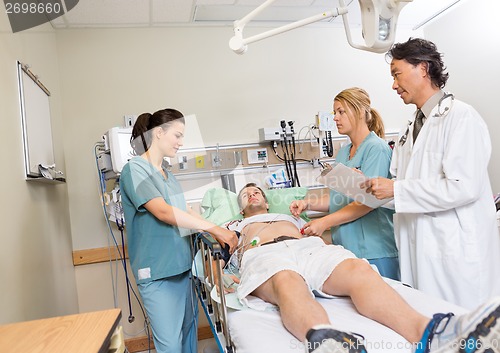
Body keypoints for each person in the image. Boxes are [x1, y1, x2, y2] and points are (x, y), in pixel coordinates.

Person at [224, 183, 500, 353]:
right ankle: (328, 343)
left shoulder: (290, 216)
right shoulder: (234, 227)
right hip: (265, 255)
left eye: (257, 191)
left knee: (358, 269)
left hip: (306, 247)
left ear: (268, 200)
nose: (252, 195)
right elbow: (221, 257)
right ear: (241, 209)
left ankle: (433, 335)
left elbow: (324, 223)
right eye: (247, 194)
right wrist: (226, 274)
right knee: (287, 282)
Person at [360, 38, 500, 309]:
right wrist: (375, 188)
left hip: (455, 253)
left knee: (468, 333)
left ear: (422, 69)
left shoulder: (461, 117)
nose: (393, 85)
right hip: (420, 251)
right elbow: (402, 189)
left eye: (397, 74)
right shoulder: (408, 128)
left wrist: (396, 190)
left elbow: (463, 186)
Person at [120, 108, 238, 353]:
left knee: (187, 339)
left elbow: (184, 211)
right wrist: (215, 229)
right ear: (159, 133)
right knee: (171, 346)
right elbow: (163, 212)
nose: (181, 143)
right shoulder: (135, 170)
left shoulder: (168, 174)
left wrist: (217, 229)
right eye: (177, 135)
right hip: (158, 274)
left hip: (182, 270)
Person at [290, 87, 399, 280]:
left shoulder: (377, 149)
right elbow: (337, 198)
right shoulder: (343, 152)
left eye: (341, 112)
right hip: (346, 249)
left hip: (374, 249)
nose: (335, 118)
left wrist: (324, 222)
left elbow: (368, 203)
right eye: (335, 113)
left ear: (359, 112)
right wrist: (308, 204)